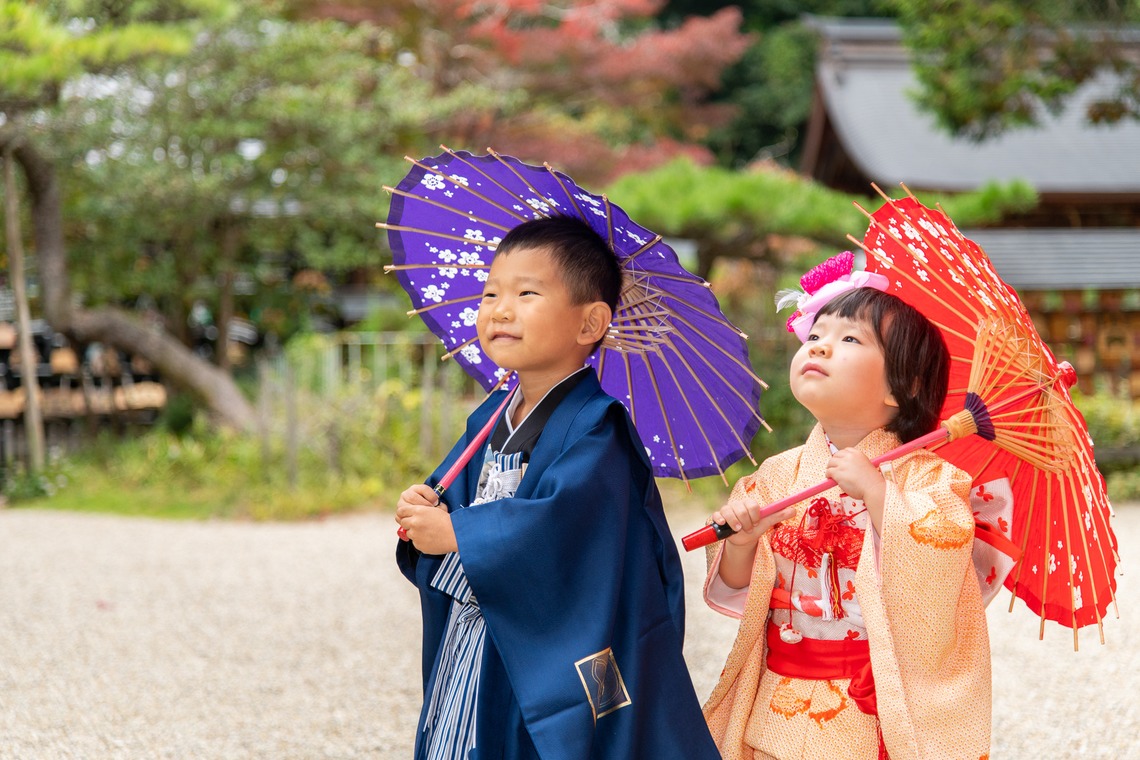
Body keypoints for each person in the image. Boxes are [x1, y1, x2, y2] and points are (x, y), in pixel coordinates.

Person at [396, 215, 719, 759]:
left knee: (533, 739)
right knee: (461, 733)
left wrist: (460, 534)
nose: (500, 309)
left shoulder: (598, 427)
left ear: (591, 323)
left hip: (547, 644)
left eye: (527, 293)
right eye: (490, 293)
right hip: (481, 629)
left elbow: (565, 524)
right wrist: (423, 506)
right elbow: (450, 503)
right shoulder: (491, 416)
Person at [701, 252, 992, 760]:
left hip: (872, 698)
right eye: (816, 335)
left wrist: (880, 496)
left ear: (907, 386)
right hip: (779, 689)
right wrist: (742, 543)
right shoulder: (777, 475)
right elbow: (739, 590)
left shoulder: (930, 478)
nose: (820, 346)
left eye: (850, 339)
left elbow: (942, 571)